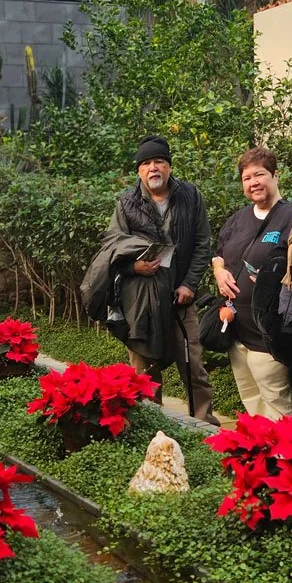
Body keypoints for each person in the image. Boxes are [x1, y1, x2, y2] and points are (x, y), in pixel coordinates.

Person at [103, 135, 219, 426]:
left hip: (182, 299)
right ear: (139, 171)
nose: (152, 168)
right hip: (142, 302)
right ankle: (151, 427)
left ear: (169, 166)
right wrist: (134, 267)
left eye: (158, 161)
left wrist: (190, 284)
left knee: (194, 367)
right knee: (144, 371)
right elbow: (111, 249)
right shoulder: (127, 204)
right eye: (145, 163)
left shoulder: (190, 196)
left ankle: (204, 427)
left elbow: (202, 244)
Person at [212, 147, 292, 419]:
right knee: (251, 400)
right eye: (246, 178)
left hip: (268, 334)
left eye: (259, 174)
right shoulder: (238, 219)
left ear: (275, 176)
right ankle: (258, 446)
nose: (253, 182)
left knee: (276, 404)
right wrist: (219, 271)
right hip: (237, 330)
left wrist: (272, 279)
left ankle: (284, 447)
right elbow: (218, 253)